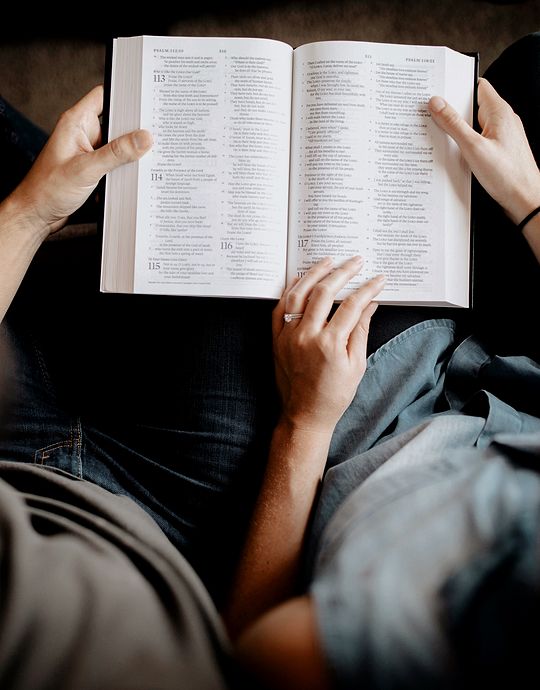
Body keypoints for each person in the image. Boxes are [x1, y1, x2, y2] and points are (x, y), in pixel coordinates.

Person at [1, 31, 540, 690]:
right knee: (532, 75)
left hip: (320, 415)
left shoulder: (402, 635)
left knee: (184, 233)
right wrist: (530, 202)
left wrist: (304, 424)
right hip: (452, 362)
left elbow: (253, 651)